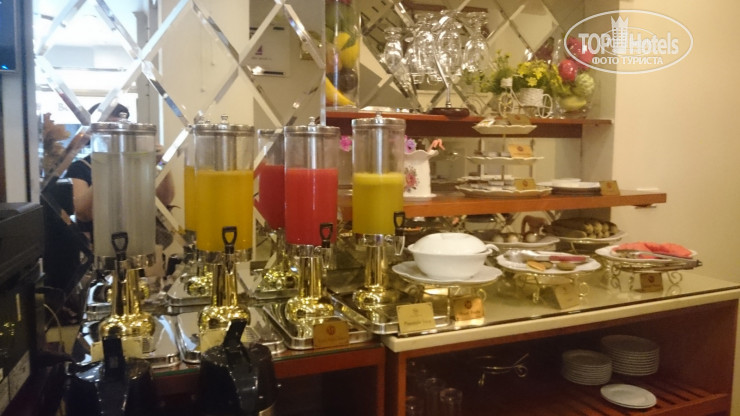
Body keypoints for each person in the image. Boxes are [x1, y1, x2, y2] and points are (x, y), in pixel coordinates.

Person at [65, 103, 175, 245]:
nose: (116, 134)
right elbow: (84, 214)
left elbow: (164, 200)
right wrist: (108, 165)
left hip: (141, 243)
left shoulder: (137, 164)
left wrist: (160, 161)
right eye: (109, 128)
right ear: (93, 132)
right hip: (102, 246)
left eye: (120, 128)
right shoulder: (80, 167)